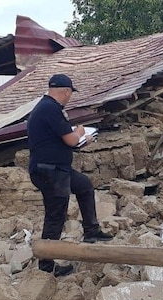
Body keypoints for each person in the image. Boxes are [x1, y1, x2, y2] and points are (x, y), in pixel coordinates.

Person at [27, 73, 113, 277]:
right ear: (65, 91)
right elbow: (72, 140)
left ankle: (91, 231)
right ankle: (46, 267)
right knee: (55, 216)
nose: (70, 98)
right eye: (70, 94)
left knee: (84, 185)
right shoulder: (51, 109)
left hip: (56, 168)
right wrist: (82, 132)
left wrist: (79, 139)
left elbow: (61, 141)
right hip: (50, 171)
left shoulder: (46, 107)